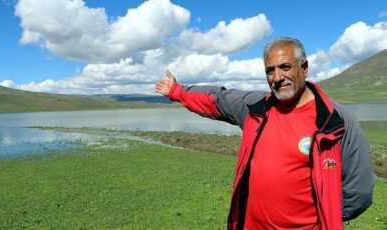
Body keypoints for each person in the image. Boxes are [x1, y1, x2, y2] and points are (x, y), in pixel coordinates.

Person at [155, 37, 374, 229]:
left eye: (285, 67)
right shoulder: (256, 107)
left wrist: (322, 218)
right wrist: (176, 91)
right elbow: (218, 98)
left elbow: (359, 191)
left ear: (304, 68)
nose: (277, 77)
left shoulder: (335, 121)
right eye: (270, 70)